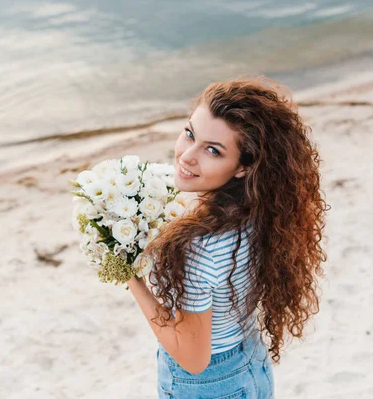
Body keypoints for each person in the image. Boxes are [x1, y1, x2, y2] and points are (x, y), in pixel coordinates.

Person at [125, 77, 328, 398]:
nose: (187, 156)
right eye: (190, 133)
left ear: (243, 167)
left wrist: (129, 276)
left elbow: (192, 358)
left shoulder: (198, 247)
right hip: (250, 363)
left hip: (209, 385)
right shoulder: (265, 210)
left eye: (213, 150)